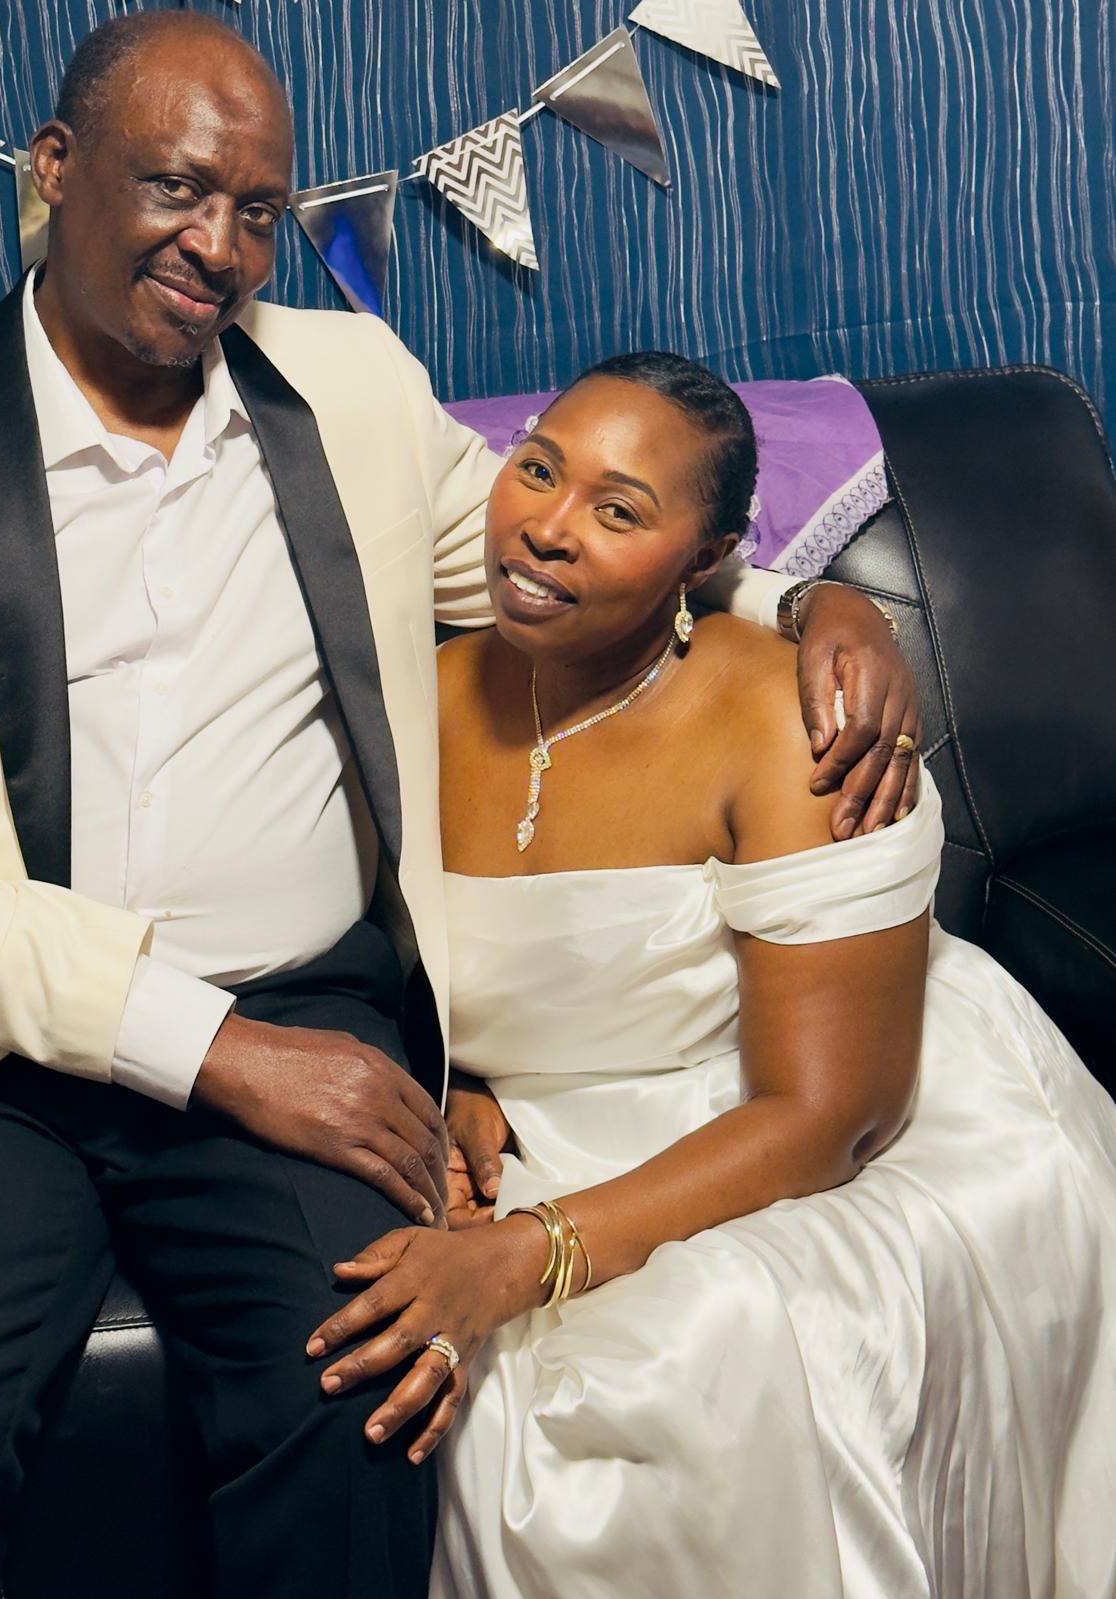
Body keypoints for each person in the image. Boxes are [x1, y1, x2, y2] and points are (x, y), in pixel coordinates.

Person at [0, 13, 914, 1599]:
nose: (220, 247)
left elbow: (550, 568)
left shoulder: (351, 384)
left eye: (258, 211)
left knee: (362, 1390)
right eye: (178, 188)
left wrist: (810, 603)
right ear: (55, 170)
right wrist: (214, 1047)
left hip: (303, 1005)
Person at [304, 353, 1116, 1599]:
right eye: (538, 469)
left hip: (810, 1114)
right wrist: (459, 1082)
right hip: (552, 1130)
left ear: (709, 557)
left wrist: (527, 1254)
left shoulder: (795, 724)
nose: (549, 528)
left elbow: (829, 1117)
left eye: (621, 510)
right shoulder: (407, 694)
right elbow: (356, 947)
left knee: (684, 1362)